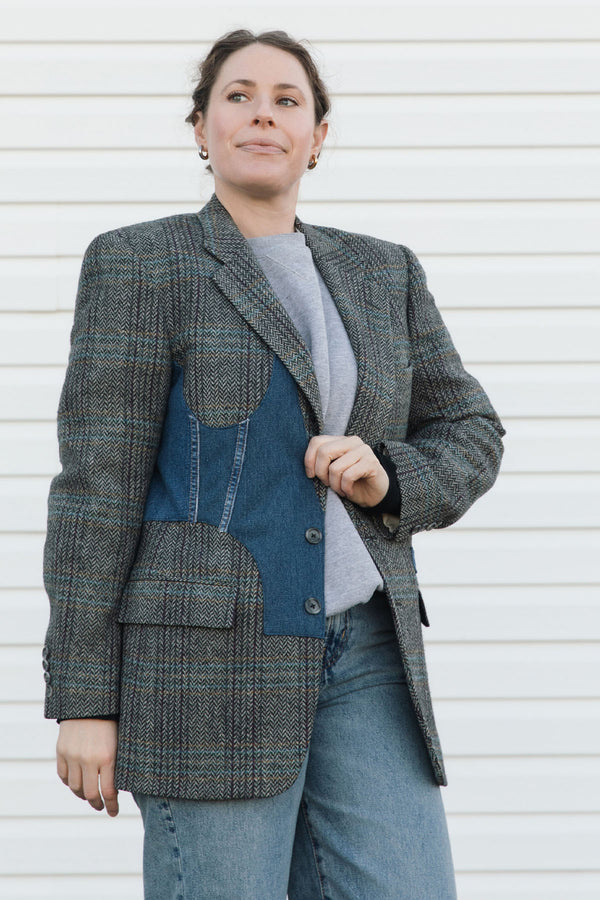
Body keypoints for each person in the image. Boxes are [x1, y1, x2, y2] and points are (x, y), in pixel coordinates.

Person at [42, 28, 505, 899]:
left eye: (288, 101)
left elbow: (471, 428)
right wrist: (83, 696)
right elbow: (95, 492)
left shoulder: (383, 273)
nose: (264, 114)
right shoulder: (141, 263)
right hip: (206, 664)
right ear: (201, 127)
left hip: (368, 652)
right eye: (239, 96)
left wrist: (390, 475)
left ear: (318, 136)